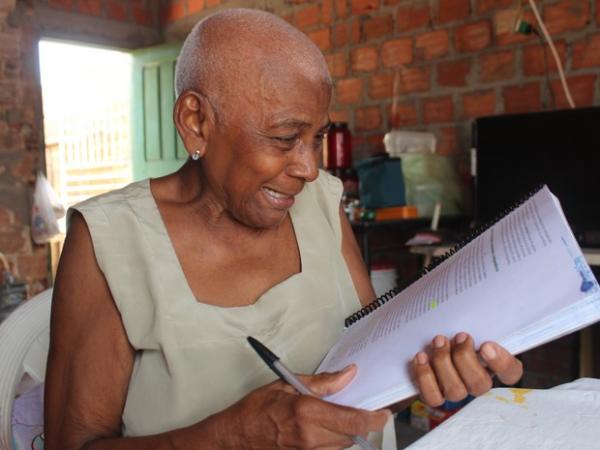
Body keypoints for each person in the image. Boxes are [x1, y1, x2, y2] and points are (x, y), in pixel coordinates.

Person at [44, 8, 523, 450]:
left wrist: (439, 371)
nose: (309, 168)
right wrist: (234, 436)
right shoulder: (109, 240)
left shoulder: (319, 202)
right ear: (196, 122)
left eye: (316, 138)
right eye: (284, 138)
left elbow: (369, 380)